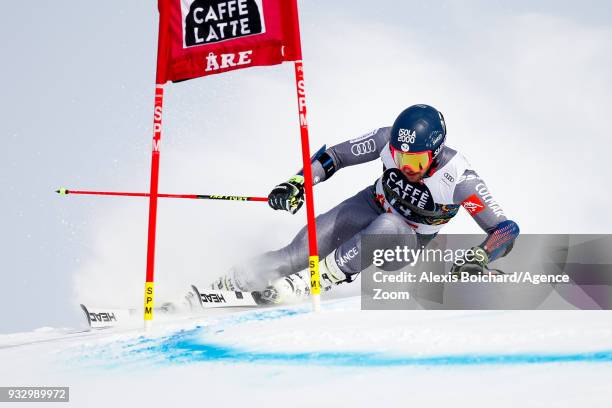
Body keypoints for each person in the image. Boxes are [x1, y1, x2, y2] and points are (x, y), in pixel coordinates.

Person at [210, 104, 519, 304]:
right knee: (295, 254)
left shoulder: (459, 179)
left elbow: (505, 228)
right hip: (370, 204)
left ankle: (316, 280)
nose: (404, 165)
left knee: (388, 224)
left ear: (435, 152)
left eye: (414, 160)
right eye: (399, 156)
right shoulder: (387, 138)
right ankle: (226, 283)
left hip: (403, 240)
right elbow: (335, 156)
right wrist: (297, 182)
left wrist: (482, 254)